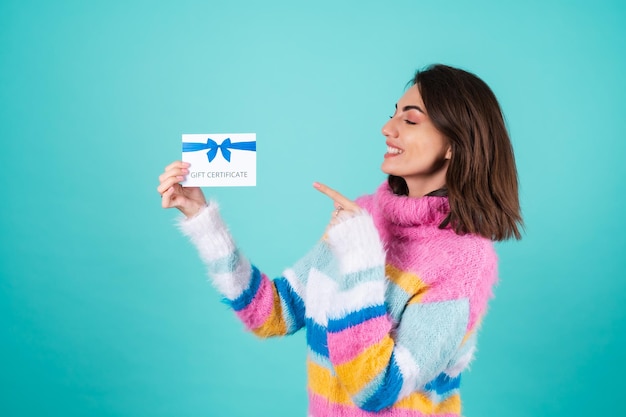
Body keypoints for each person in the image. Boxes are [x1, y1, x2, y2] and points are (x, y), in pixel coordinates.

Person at [157, 64, 523, 417]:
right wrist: (202, 219)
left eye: (409, 120)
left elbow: (375, 389)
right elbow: (271, 313)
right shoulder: (364, 218)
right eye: (393, 114)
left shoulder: (464, 261)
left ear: (453, 145)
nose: (386, 128)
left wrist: (362, 260)